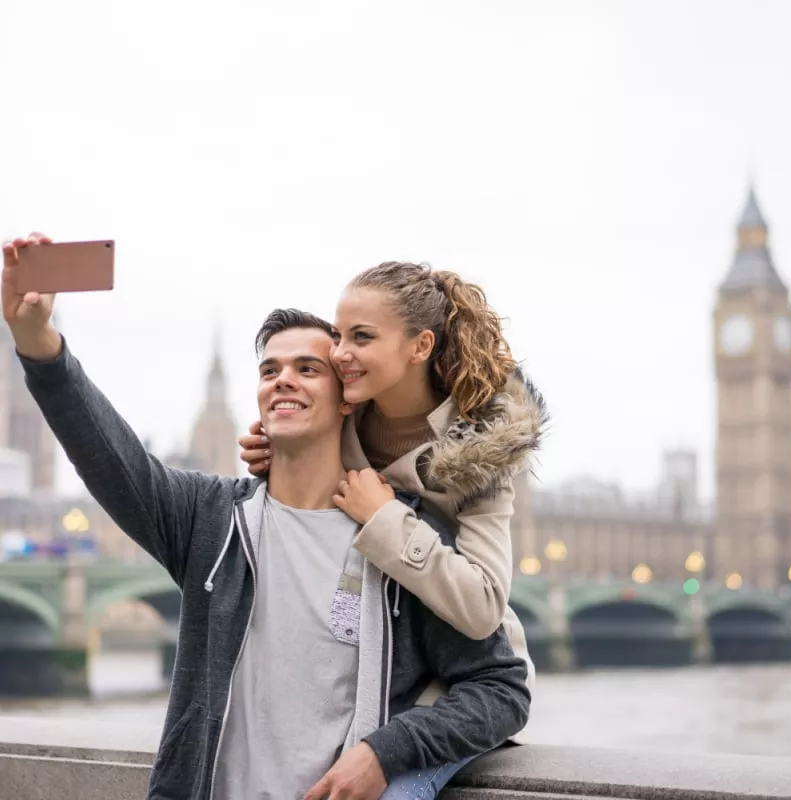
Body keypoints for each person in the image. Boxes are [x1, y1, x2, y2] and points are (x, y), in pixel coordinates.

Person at [2, 235, 531, 800]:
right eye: (269, 369)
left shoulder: (403, 533)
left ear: (347, 398)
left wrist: (387, 751)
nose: (284, 379)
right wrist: (38, 344)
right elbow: (112, 459)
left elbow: (499, 687)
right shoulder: (212, 522)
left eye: (308, 368)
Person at [240, 261, 547, 742]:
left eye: (361, 338)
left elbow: (483, 606)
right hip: (358, 669)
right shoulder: (339, 413)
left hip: (451, 687)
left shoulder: (481, 452)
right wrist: (279, 453)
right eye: (338, 336)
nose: (340, 353)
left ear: (420, 346)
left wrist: (385, 518)